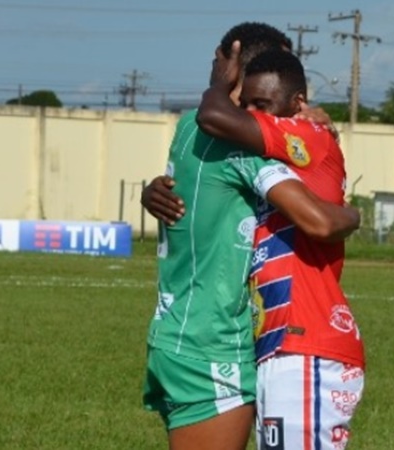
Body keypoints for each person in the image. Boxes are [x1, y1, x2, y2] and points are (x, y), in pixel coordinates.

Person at [141, 23, 360, 450]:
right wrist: (353, 215)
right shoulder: (243, 149)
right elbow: (318, 220)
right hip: (214, 345)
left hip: (173, 333)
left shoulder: (186, 128)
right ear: (241, 71)